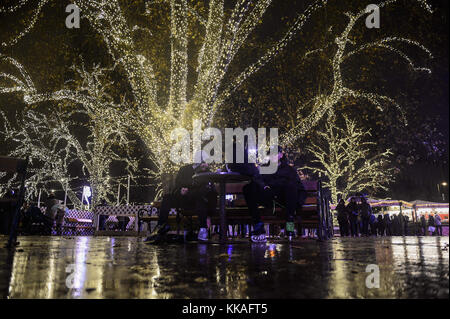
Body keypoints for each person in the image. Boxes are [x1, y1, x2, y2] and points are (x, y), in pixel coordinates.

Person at [145, 151, 217, 243]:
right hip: (183, 198)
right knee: (167, 198)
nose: (205, 164)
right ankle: (162, 225)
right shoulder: (184, 170)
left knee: (201, 199)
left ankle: (203, 228)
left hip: (197, 200)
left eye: (206, 162)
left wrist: (190, 188)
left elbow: (206, 188)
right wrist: (180, 191)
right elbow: (177, 185)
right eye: (203, 162)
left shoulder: (207, 173)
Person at [241, 146, 307, 242]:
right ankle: (258, 225)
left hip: (284, 199)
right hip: (268, 196)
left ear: (281, 155)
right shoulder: (263, 168)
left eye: (275, 153)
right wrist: (261, 182)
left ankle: (290, 225)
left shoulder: (289, 170)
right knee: (248, 188)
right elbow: (257, 181)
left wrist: (299, 203)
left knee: (290, 187)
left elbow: (299, 187)